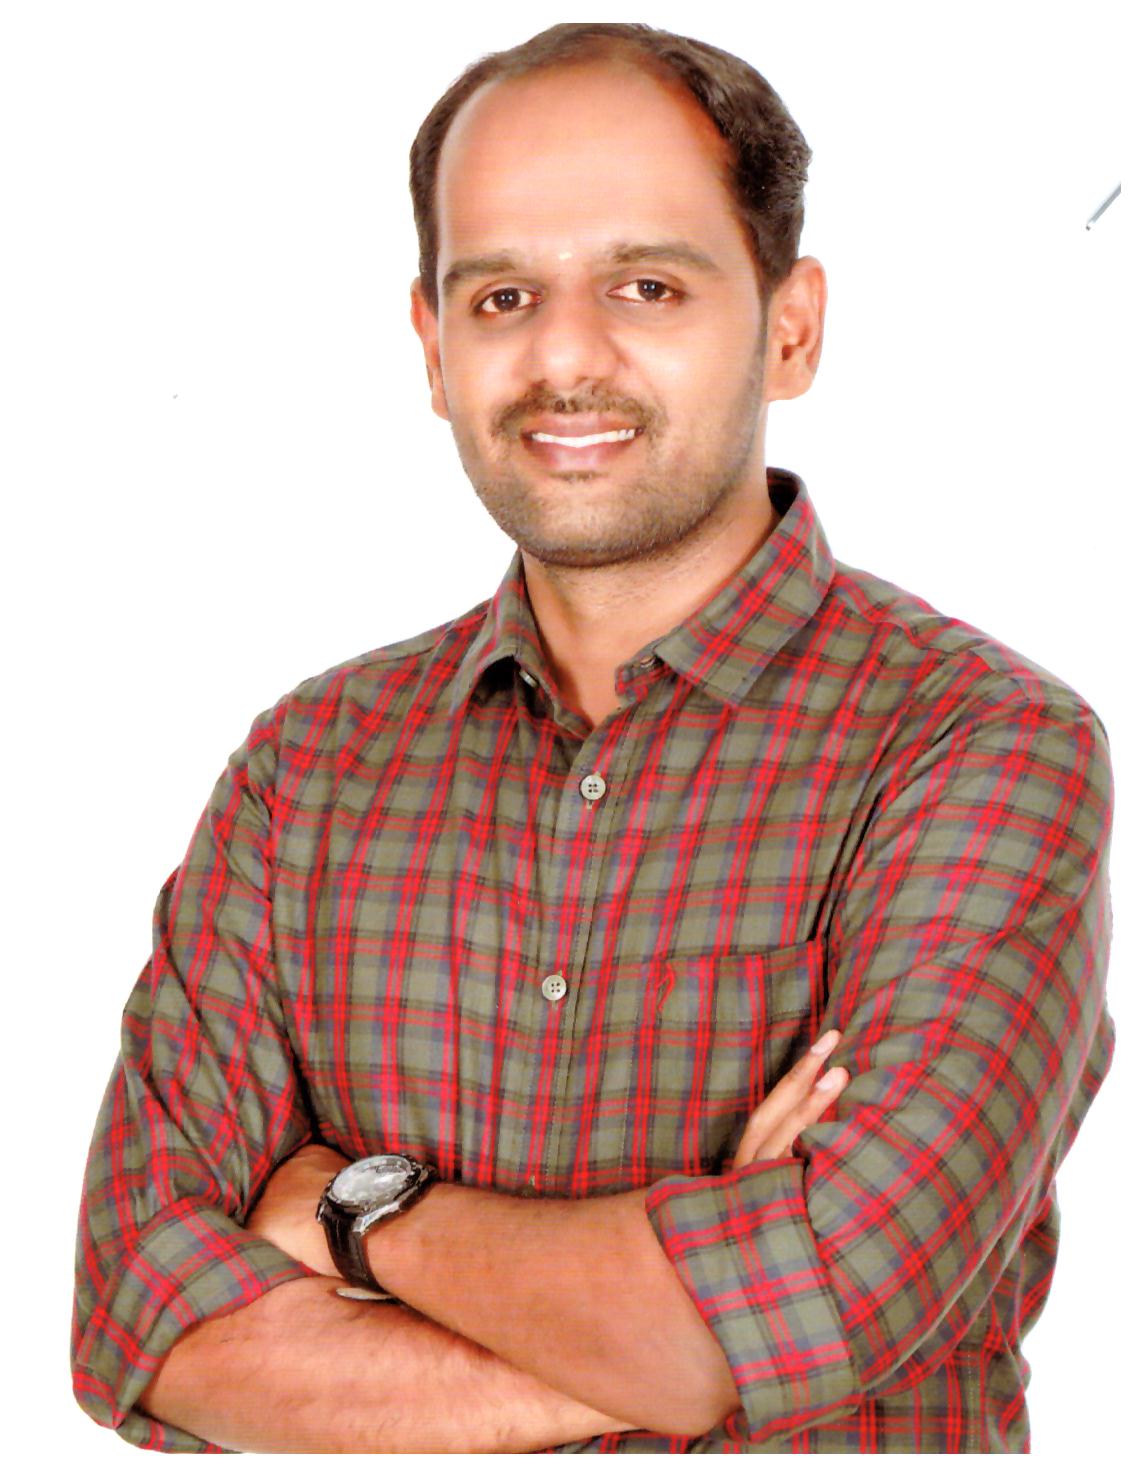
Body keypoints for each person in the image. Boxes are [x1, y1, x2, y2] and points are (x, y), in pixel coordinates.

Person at [70, 21, 1115, 1455]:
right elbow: (138, 1323)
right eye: (502, 295)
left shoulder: (980, 748)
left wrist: (355, 1215)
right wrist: (700, 1330)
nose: (564, 356)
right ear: (433, 345)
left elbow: (836, 1290)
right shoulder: (304, 769)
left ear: (792, 329)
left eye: (646, 286)